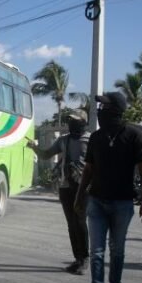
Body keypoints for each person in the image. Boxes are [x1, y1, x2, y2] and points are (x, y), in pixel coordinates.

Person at [74, 92, 142, 283]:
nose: (99, 111)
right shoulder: (97, 138)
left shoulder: (134, 136)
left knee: (117, 251)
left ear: (116, 110)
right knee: (97, 251)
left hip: (122, 203)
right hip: (97, 202)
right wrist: (79, 197)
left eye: (103, 107)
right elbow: (88, 170)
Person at [27, 109, 90, 274]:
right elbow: (46, 155)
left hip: (83, 188)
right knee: (71, 224)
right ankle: (77, 258)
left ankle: (85, 258)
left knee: (80, 222)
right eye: (70, 120)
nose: (71, 123)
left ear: (83, 122)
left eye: (75, 120)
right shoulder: (64, 140)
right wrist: (34, 147)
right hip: (65, 187)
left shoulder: (91, 140)